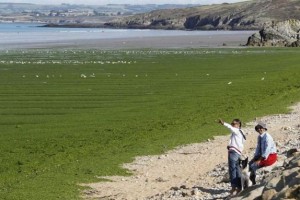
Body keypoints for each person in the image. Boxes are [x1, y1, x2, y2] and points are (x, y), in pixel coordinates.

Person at [219, 118, 246, 196]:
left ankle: (234, 187)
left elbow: (231, 128)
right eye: (232, 124)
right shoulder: (242, 132)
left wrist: (224, 123)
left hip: (234, 152)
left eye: (233, 124)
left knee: (232, 170)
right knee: (237, 170)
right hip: (238, 152)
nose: (232, 125)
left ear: (238, 125)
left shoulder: (237, 131)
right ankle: (240, 187)